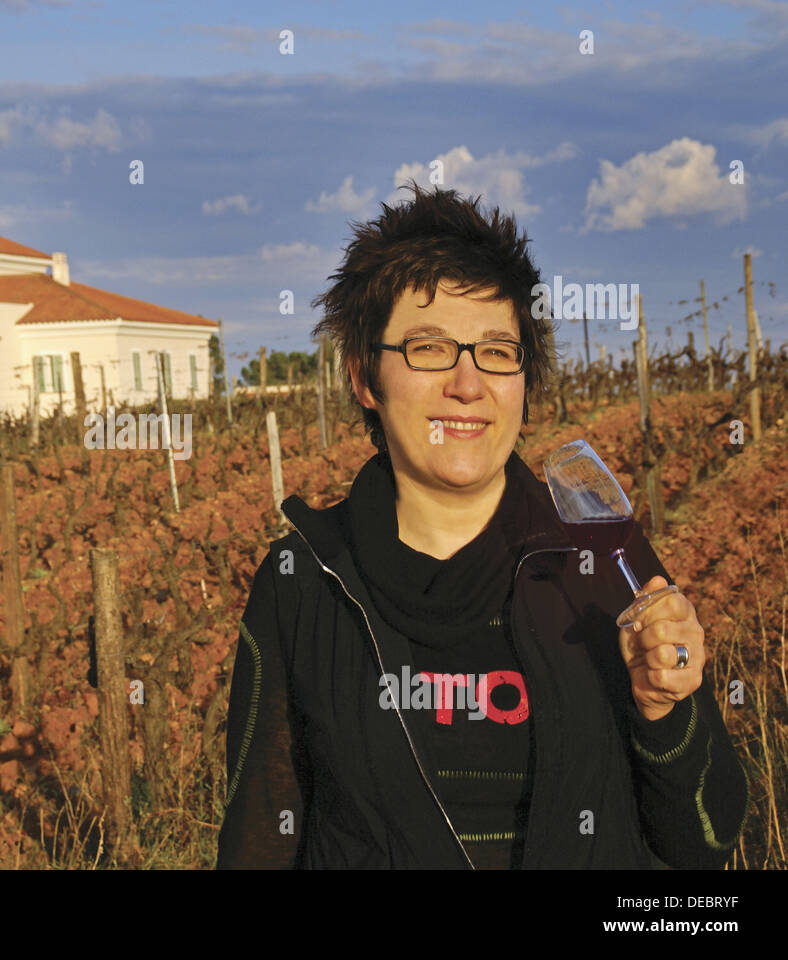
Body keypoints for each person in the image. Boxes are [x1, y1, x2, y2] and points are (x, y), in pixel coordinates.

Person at [215, 183, 748, 869]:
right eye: (429, 348)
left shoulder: (596, 563)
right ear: (364, 377)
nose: (468, 384)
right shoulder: (303, 585)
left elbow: (705, 840)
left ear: (524, 382)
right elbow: (258, 841)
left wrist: (667, 711)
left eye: (497, 351)